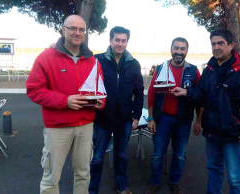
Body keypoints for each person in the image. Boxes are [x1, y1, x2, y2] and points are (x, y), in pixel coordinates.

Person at [172, 29, 240, 194]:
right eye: (213, 44)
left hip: (233, 133)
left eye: (220, 43)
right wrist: (186, 92)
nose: (216, 47)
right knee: (213, 171)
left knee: (235, 178)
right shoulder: (209, 69)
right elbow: (201, 93)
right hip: (212, 132)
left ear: (231, 45)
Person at [26, 15, 105, 194]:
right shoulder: (46, 57)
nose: (77, 33)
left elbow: (100, 91)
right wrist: (65, 101)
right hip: (57, 128)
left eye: (81, 29)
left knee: (84, 174)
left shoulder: (93, 61)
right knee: (51, 177)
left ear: (85, 33)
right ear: (63, 30)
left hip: (85, 126)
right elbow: (33, 90)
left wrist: (100, 103)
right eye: (72, 28)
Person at [89, 26, 144, 194]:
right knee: (97, 158)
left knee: (122, 156)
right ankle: (92, 190)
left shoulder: (133, 64)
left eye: (123, 40)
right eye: (117, 40)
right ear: (110, 40)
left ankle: (122, 187)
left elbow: (139, 92)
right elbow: (89, 85)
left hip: (124, 120)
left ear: (127, 41)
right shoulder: (97, 60)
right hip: (102, 119)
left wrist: (136, 115)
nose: (120, 44)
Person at [146, 37, 202, 194]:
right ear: (171, 49)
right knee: (157, 154)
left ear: (186, 51)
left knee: (179, 155)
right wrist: (151, 118)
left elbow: (199, 96)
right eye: (176, 48)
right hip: (162, 119)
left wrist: (198, 120)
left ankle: (175, 182)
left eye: (182, 48)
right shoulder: (161, 68)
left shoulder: (193, 70)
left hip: (183, 121)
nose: (179, 51)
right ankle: (155, 182)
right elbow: (151, 94)